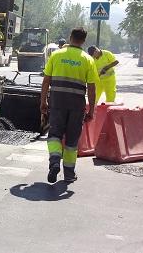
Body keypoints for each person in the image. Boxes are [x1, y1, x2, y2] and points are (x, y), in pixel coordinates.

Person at [40, 27, 98, 183]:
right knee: (72, 140)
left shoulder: (56, 55)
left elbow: (46, 81)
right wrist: (91, 110)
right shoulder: (88, 60)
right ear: (84, 41)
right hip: (76, 105)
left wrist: (43, 101)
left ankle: (54, 161)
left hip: (57, 102)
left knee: (54, 135)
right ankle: (69, 173)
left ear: (70, 37)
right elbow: (92, 89)